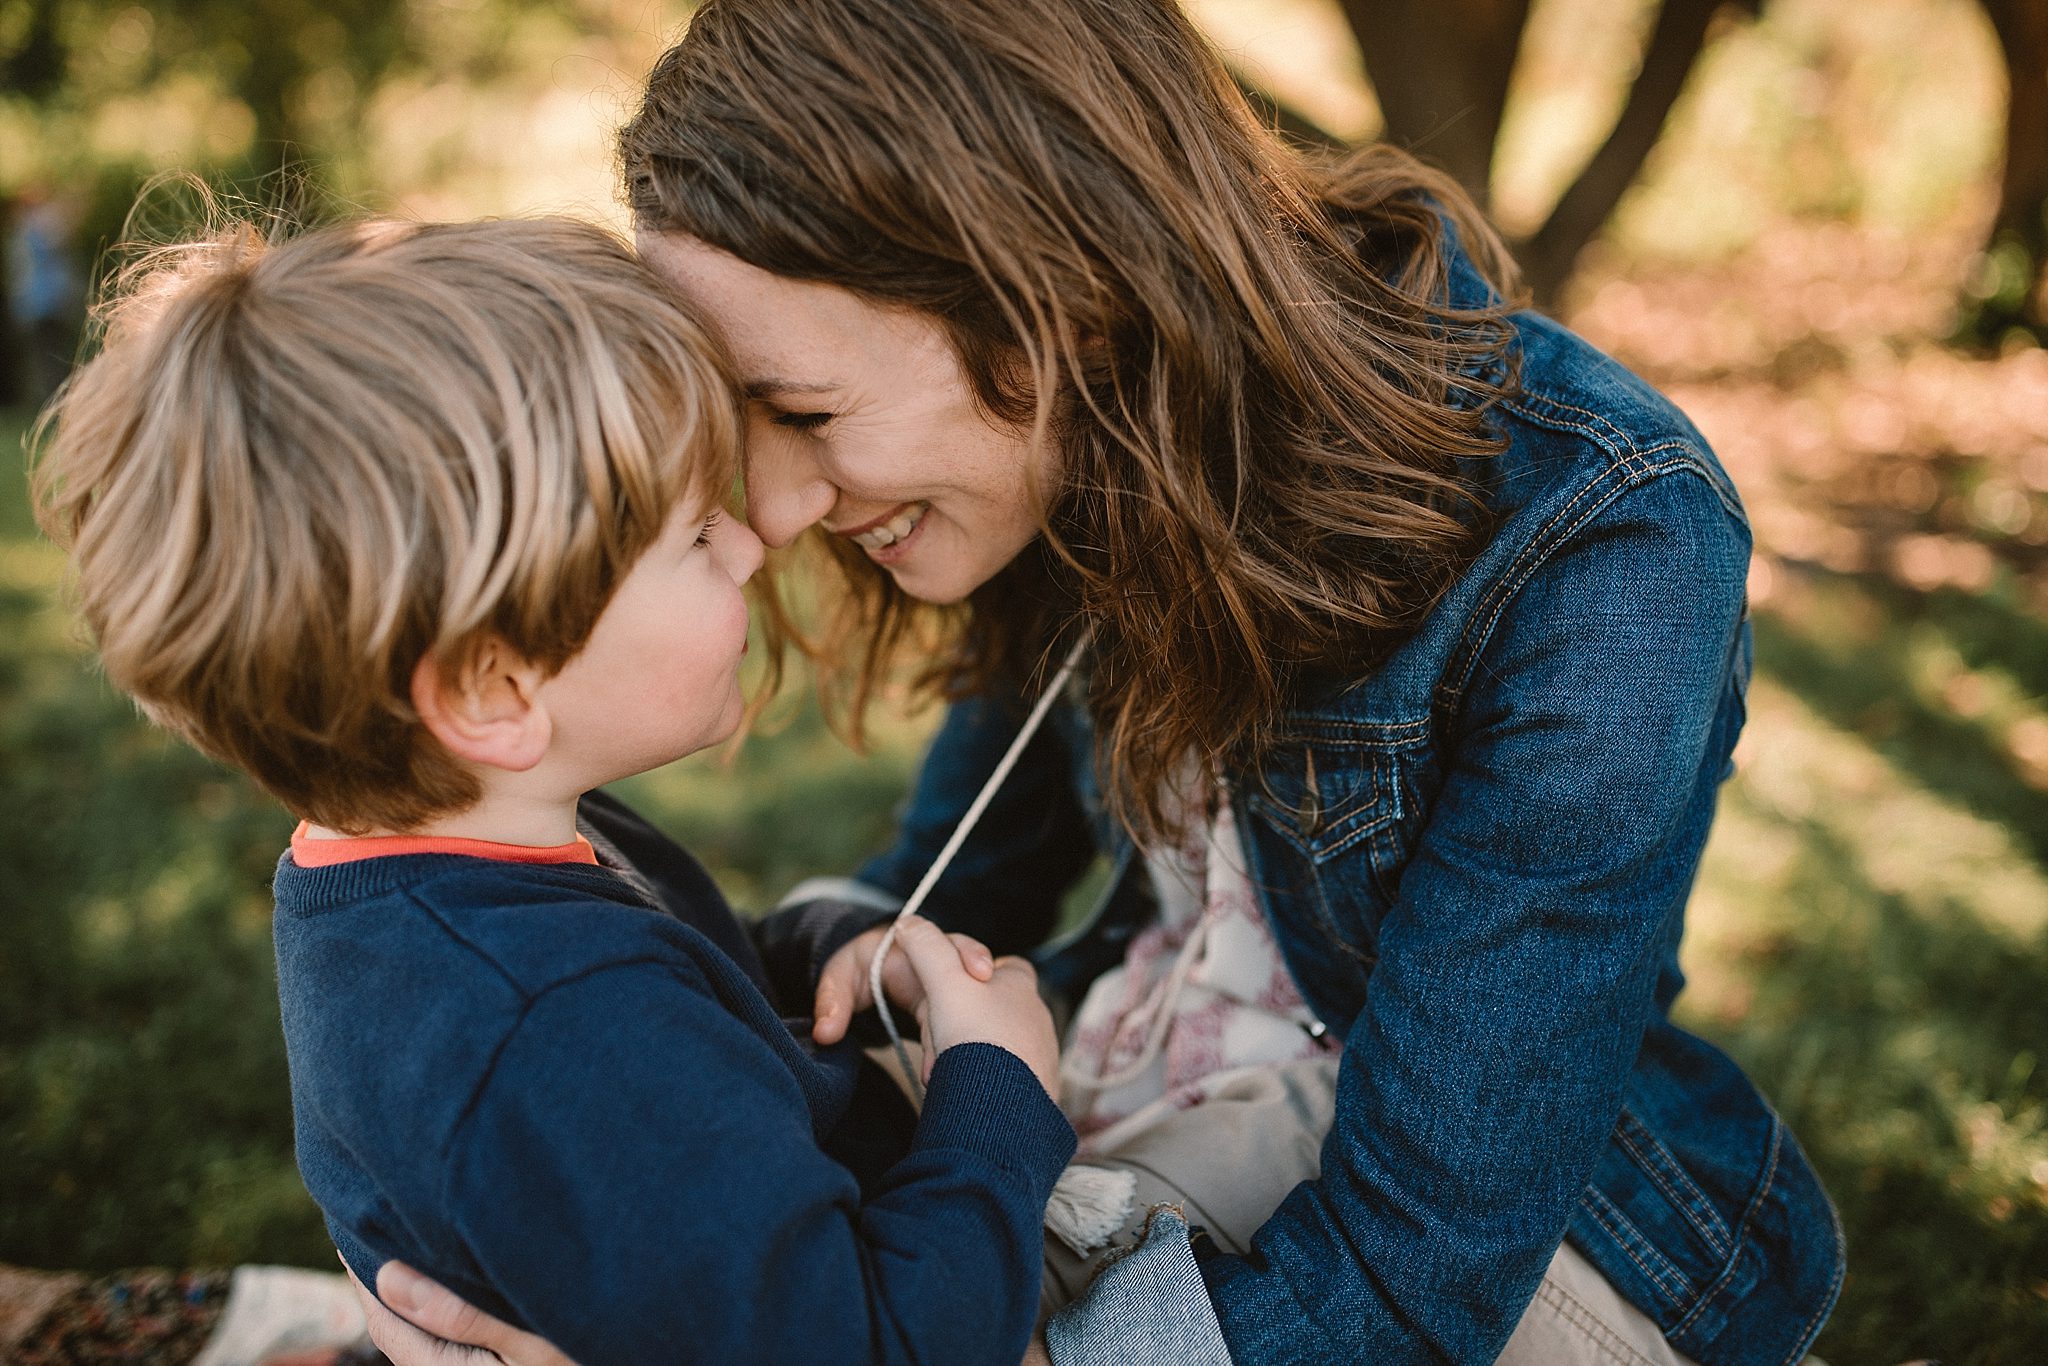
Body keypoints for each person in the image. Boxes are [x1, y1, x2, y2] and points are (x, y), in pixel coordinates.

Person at [366, 0, 1850, 1360]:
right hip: (1156, 1099)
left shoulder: (1599, 534)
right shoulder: (1088, 437)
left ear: (1059, 298)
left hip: (1497, 1254)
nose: (771, 507)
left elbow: (1414, 1272)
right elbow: (961, 889)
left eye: (804, 409)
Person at [31, 215, 1079, 1364]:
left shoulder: (457, 862)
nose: (753, 544)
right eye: (693, 536)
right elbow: (873, 1345)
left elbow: (693, 977)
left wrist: (833, 945)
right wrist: (995, 1094)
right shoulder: (558, 1038)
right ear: (493, 689)